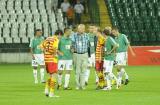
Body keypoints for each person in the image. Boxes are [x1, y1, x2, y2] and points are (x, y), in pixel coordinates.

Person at [40, 30, 60, 97]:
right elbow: (54, 48)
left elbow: (41, 46)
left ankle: (46, 90)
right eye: (60, 36)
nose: (60, 38)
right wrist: (55, 54)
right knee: (54, 75)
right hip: (52, 60)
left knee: (50, 75)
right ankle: (51, 93)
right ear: (59, 34)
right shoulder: (55, 39)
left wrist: (45, 52)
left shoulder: (48, 38)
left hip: (46, 59)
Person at [71, 24, 89, 90]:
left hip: (85, 54)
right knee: (77, 70)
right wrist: (72, 49)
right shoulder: (74, 35)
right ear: (78, 29)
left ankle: (83, 85)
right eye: (80, 28)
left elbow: (88, 44)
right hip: (77, 54)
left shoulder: (87, 35)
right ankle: (77, 85)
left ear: (84, 29)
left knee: (83, 70)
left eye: (82, 28)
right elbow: (71, 44)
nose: (81, 30)